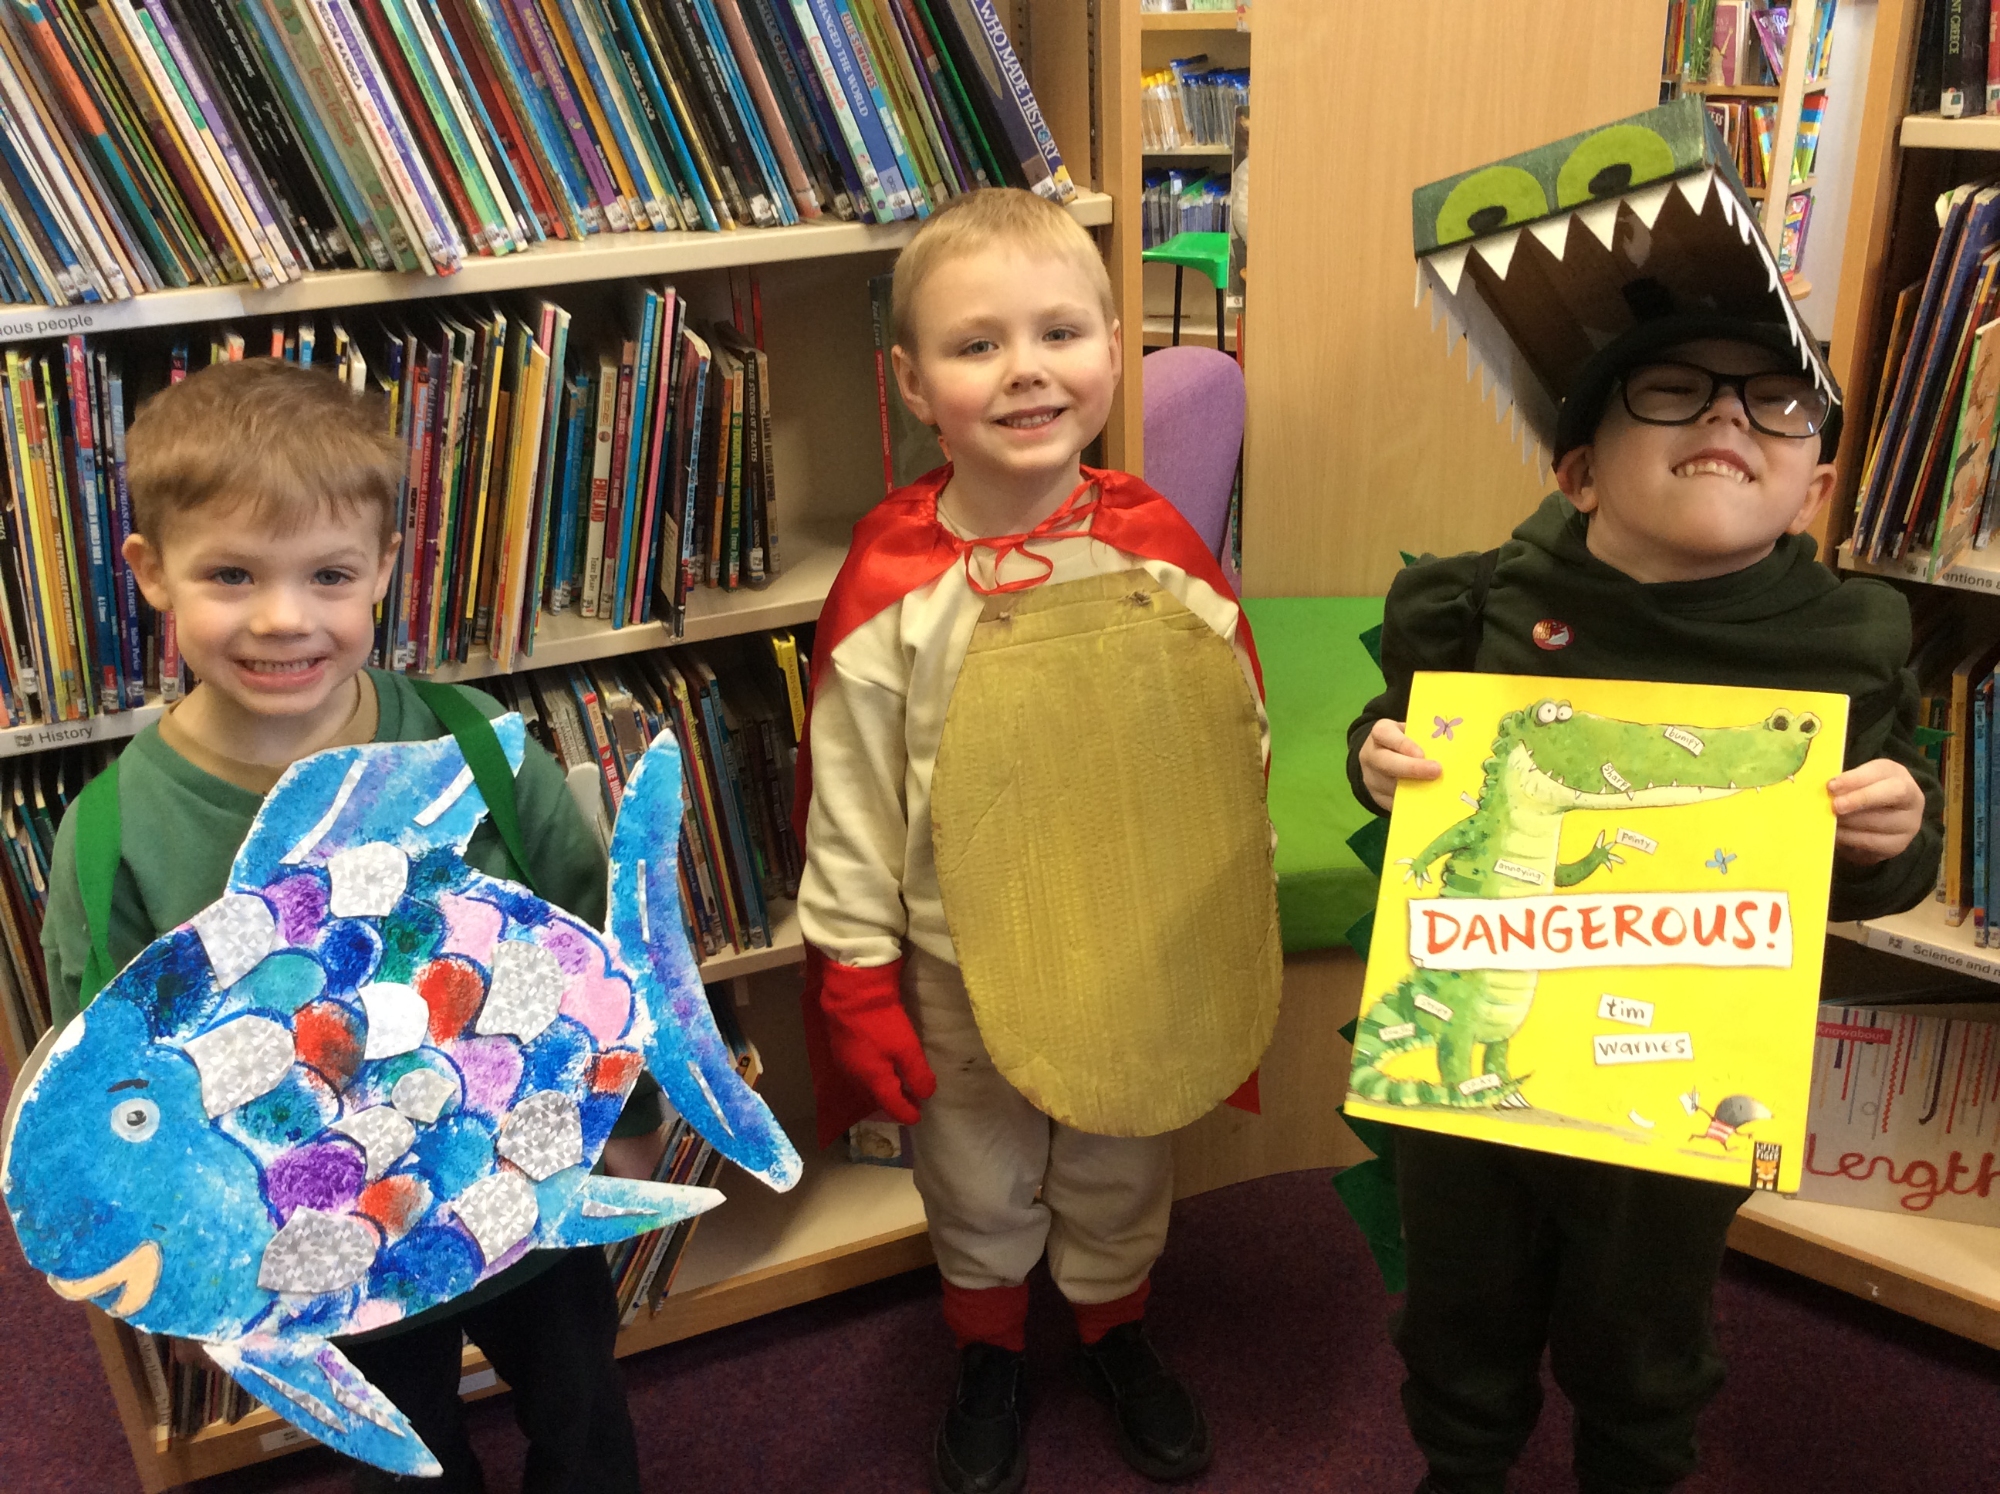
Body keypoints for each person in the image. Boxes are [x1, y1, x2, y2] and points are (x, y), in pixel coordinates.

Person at [39, 357, 668, 1494]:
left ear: (384, 566)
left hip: (522, 1188)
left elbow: (595, 943)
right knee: (404, 1458)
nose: (284, 618)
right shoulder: (111, 837)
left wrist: (634, 1112)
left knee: (584, 1418)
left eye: (328, 574)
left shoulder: (476, 747)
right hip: (321, 1256)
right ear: (151, 572)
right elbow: (108, 1084)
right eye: (232, 573)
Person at [1348, 315, 1941, 1494]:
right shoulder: (1478, 604)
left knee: (1643, 1331)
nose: (1726, 413)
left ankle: (1633, 1466)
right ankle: (1461, 1464)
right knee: (1459, 1302)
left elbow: (1882, 865)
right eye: (1671, 390)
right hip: (1475, 1073)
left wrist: (1890, 832)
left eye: (1776, 403)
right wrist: (1377, 758)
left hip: (1675, 1086)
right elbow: (1403, 752)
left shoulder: (1841, 645)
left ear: (1814, 490)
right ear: (1576, 471)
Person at [796, 187, 1272, 1494]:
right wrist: (857, 978)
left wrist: (1219, 914)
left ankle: (1115, 1329)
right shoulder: (895, 585)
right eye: (977, 344)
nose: (1026, 370)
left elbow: (1230, 747)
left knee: (1120, 1154)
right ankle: (991, 1350)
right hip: (960, 958)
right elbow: (852, 802)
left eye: (1059, 333)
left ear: (1113, 348)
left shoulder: (1157, 555)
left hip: (1132, 947)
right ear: (913, 383)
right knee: (977, 1169)